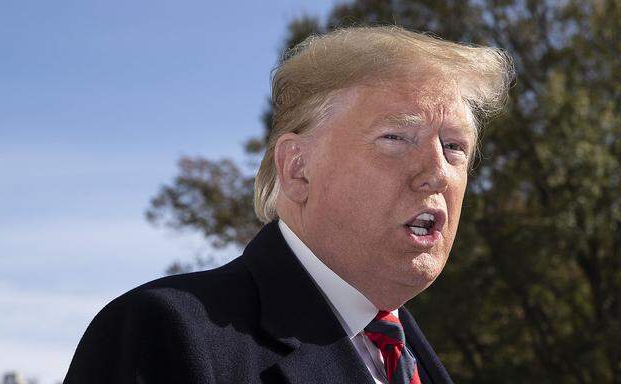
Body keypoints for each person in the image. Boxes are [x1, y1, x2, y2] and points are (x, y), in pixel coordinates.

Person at [64, 26, 513, 384]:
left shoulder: (414, 359)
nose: (437, 171)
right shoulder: (161, 335)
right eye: (396, 137)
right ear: (297, 168)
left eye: (454, 146)